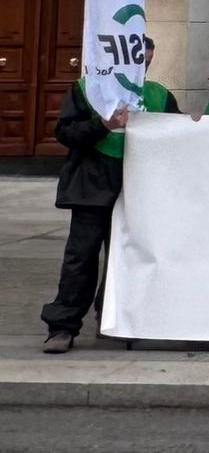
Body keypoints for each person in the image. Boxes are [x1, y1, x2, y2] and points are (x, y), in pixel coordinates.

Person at [41, 76, 134, 353]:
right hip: (90, 189)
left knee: (128, 259)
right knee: (80, 259)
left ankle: (113, 318)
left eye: (146, 59)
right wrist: (102, 125)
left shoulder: (158, 95)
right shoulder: (85, 88)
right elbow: (65, 132)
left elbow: (178, 132)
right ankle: (63, 326)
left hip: (135, 192)